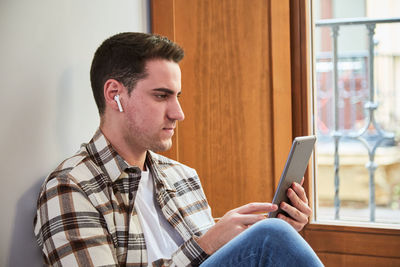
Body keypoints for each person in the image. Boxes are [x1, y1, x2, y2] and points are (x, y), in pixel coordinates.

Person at [34, 32, 323, 266]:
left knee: (273, 232)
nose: (178, 113)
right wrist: (208, 243)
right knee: (269, 235)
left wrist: (272, 239)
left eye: (177, 96)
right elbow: (203, 252)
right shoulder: (71, 187)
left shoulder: (181, 176)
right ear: (115, 95)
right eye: (161, 96)